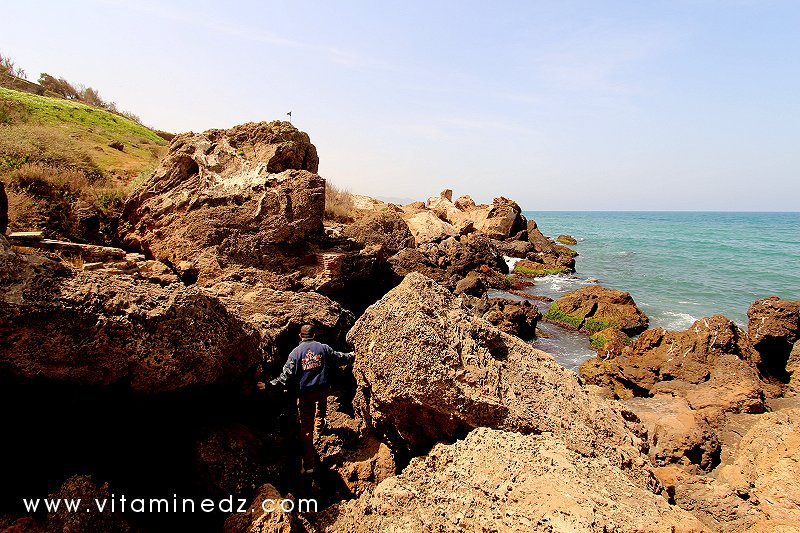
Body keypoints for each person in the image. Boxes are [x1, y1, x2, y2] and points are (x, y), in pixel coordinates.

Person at [258, 324, 354, 475]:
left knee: (306, 429)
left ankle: (309, 465)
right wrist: (353, 355)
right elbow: (339, 357)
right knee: (322, 400)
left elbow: (285, 378)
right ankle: (320, 423)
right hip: (323, 389)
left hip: (306, 394)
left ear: (300, 336)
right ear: (314, 335)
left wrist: (268, 385)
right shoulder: (324, 348)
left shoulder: (295, 354)